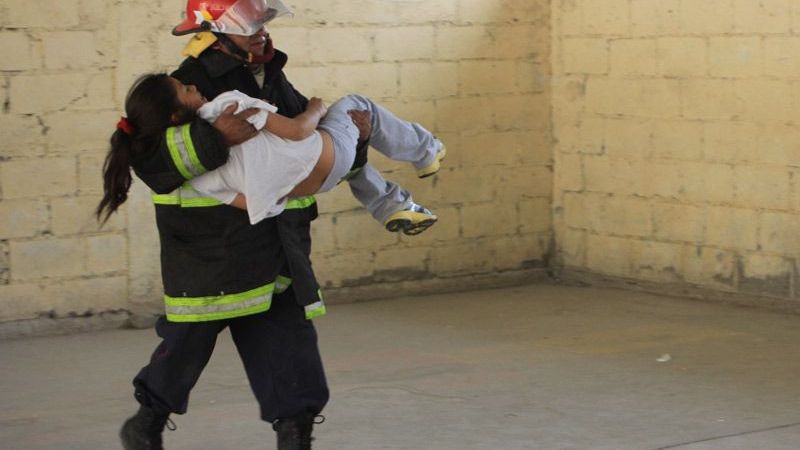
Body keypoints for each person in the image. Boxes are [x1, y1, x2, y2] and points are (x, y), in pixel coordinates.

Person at [107, 1, 332, 448]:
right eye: (251, 27)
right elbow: (150, 159)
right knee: (187, 344)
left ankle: (295, 435)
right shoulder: (188, 82)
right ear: (217, 35)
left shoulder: (269, 76)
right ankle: (146, 423)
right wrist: (214, 137)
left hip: (272, 243)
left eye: (264, 23)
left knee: (290, 349)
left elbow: (298, 150)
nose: (262, 34)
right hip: (210, 254)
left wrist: (353, 144)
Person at [114, 75, 445, 231]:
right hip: (332, 152)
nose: (195, 86)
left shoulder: (194, 179)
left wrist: (286, 173)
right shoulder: (227, 106)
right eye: (186, 89)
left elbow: (257, 203)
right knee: (356, 104)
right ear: (174, 115)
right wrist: (317, 108)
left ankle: (392, 205)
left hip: (320, 184)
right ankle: (426, 150)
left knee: (348, 148)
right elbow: (299, 130)